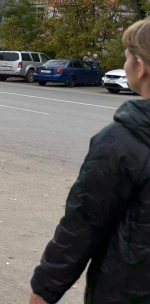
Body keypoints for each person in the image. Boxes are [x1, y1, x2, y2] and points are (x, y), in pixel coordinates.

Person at [29, 19, 150, 304]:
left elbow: (82, 224)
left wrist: (44, 291)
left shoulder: (122, 141)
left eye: (127, 58)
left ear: (140, 67)